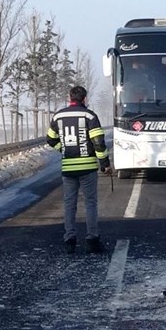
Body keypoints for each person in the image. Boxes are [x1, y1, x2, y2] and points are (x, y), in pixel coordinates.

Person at [47, 85, 111, 254]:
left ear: (70, 98)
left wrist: (65, 149)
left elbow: (50, 139)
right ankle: (92, 239)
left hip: (68, 167)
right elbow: (98, 142)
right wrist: (104, 164)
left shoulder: (58, 116)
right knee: (90, 203)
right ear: (85, 99)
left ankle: (69, 240)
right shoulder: (89, 115)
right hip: (88, 166)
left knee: (69, 204)